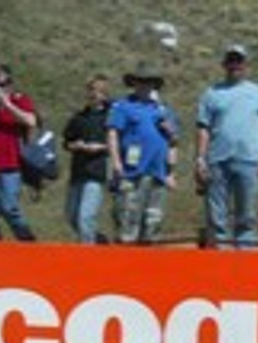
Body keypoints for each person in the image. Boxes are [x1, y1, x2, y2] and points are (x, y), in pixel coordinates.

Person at [195, 44, 258, 249]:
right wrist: (200, 158)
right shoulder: (212, 93)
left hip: (249, 161)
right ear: (224, 64)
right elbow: (203, 128)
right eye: (231, 61)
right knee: (217, 217)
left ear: (246, 65)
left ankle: (245, 263)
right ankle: (221, 263)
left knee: (246, 216)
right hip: (218, 160)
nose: (235, 66)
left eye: (238, 61)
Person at [108, 61, 179, 244]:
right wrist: (116, 162)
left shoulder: (163, 110)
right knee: (128, 217)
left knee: (153, 220)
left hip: (157, 173)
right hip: (132, 172)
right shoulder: (123, 107)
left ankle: (149, 258)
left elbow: (173, 142)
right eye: (141, 82)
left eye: (149, 82)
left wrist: (171, 172)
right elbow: (113, 133)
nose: (145, 86)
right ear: (134, 84)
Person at [0, 64, 38, 241]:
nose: (0, 88)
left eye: (4, 83)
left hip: (10, 165)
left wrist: (7, 104)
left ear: (10, 83)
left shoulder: (20, 101)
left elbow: (31, 121)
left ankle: (27, 241)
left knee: (9, 207)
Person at [62, 74, 111, 244]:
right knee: (71, 216)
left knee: (85, 218)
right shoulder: (79, 117)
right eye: (91, 90)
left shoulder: (110, 117)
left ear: (105, 94)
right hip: (78, 172)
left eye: (98, 91)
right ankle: (99, 241)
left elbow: (119, 143)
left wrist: (101, 147)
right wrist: (75, 145)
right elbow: (66, 142)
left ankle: (87, 257)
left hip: (96, 172)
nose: (94, 94)